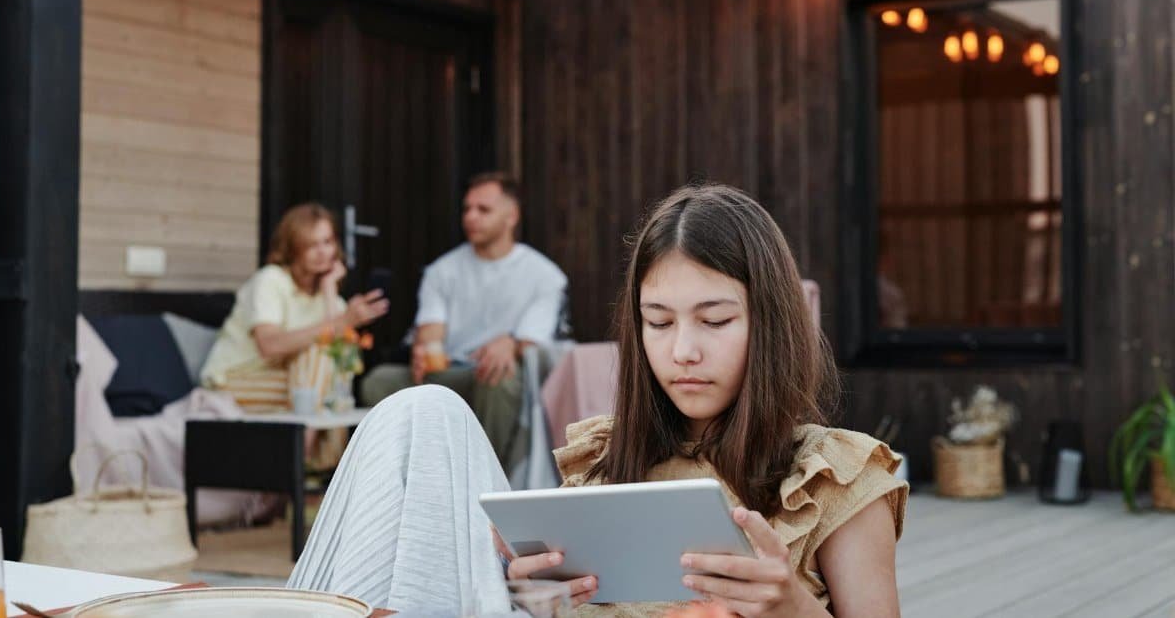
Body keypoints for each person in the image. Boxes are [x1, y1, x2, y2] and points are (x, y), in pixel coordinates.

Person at [290, 185, 907, 617]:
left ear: (770, 323)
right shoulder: (605, 458)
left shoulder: (833, 476)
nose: (682, 351)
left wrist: (792, 610)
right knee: (420, 411)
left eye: (714, 321)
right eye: (658, 322)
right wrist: (526, 591)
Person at [360, 172, 568, 469]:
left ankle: (485, 482)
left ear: (511, 216)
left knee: (498, 378)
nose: (471, 217)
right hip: (450, 374)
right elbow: (431, 331)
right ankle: (401, 479)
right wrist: (423, 349)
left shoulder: (544, 275)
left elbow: (533, 340)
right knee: (377, 382)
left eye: (483, 210)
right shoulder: (443, 270)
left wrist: (510, 343)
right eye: (467, 209)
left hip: (500, 375)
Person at [201, 203, 389, 412]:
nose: (322, 252)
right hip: (234, 380)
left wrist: (329, 291)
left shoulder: (330, 296)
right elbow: (269, 346)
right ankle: (307, 443)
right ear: (292, 248)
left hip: (292, 381)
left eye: (327, 242)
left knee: (324, 387)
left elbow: (339, 362)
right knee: (323, 394)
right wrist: (342, 322)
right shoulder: (271, 280)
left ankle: (304, 442)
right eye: (311, 245)